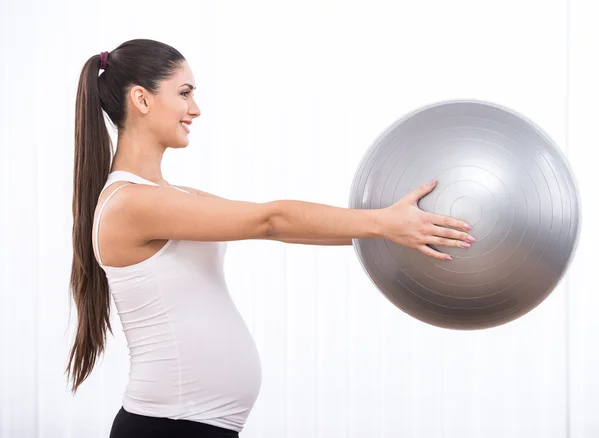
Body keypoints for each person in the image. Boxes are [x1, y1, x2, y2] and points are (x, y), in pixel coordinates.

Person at [65, 38, 475, 438]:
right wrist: (383, 225)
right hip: (168, 427)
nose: (196, 109)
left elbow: (283, 227)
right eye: (185, 93)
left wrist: (394, 230)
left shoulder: (173, 199)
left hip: (188, 426)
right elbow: (270, 220)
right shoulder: (131, 203)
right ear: (141, 99)